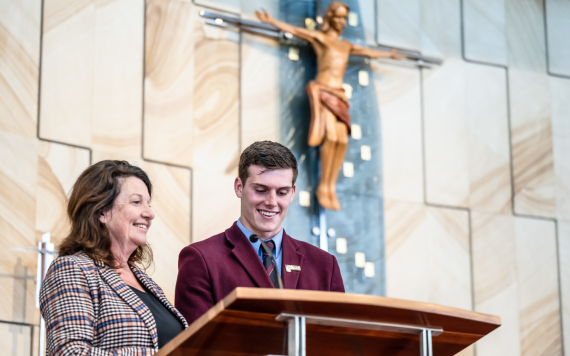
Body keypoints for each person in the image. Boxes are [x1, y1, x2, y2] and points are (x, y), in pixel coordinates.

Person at [175, 141, 345, 324]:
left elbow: (340, 341)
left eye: (282, 192)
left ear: (293, 193)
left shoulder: (325, 265)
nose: (272, 202)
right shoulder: (201, 259)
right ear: (239, 187)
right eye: (261, 190)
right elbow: (196, 348)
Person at [256, 2, 405, 210]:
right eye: (338, 16)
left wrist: (389, 55)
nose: (341, 22)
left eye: (344, 17)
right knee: (331, 137)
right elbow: (297, 31)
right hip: (324, 92)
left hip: (340, 96)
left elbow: (367, 51)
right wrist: (271, 21)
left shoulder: (346, 45)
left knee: (342, 140)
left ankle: (330, 186)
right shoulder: (321, 39)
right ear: (330, 18)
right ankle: (322, 187)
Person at [40, 160, 187, 355]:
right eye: (136, 202)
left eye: (149, 204)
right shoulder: (72, 270)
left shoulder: (146, 283)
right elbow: (70, 352)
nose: (150, 213)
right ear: (102, 211)